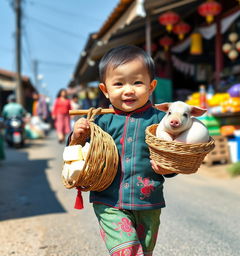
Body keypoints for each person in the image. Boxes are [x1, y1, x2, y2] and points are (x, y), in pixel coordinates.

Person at [70, 45, 177, 256]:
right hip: (108, 200)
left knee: (144, 251)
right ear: (105, 90)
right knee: (128, 251)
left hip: (148, 200)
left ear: (151, 86)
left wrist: (168, 169)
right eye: (118, 83)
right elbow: (77, 153)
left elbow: (172, 155)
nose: (128, 90)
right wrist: (77, 136)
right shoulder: (100, 121)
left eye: (137, 82)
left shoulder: (160, 122)